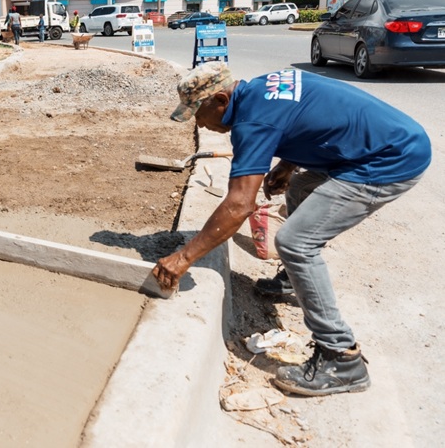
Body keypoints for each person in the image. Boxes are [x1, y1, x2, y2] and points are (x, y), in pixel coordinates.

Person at [151, 62, 430, 397]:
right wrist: (286, 165)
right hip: (380, 143)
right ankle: (293, 282)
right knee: (298, 188)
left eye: (199, 112)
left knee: (296, 242)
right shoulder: (266, 84)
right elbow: (308, 118)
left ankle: (341, 357)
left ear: (222, 100)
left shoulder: (251, 121)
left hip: (388, 159)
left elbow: (239, 205)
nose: (199, 122)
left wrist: (184, 257)